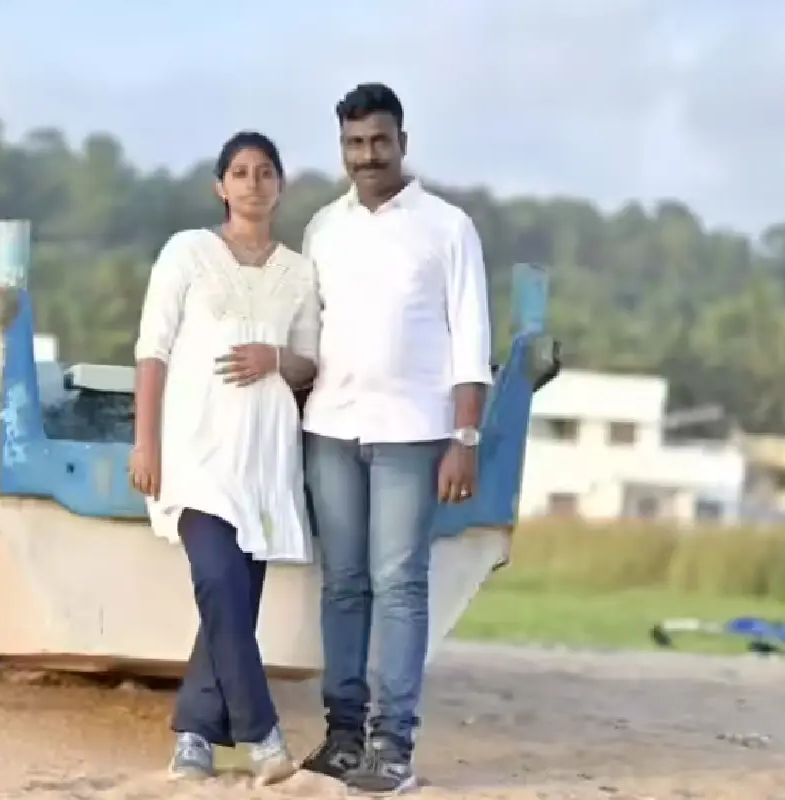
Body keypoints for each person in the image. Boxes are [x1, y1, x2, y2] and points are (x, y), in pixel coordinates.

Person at [298, 83, 493, 794]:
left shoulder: (447, 228)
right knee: (343, 586)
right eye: (354, 143)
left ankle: (393, 745)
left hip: (414, 433)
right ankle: (343, 736)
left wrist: (464, 437)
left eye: (379, 141)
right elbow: (306, 333)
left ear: (402, 143)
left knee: (400, 586)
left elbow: (472, 340)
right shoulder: (323, 227)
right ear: (342, 147)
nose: (367, 155)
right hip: (329, 427)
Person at [128, 131, 320, 786]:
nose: (253, 183)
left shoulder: (299, 272)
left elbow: (309, 362)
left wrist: (276, 360)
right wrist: (145, 440)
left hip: (264, 460)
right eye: (240, 172)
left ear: (280, 186)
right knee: (218, 583)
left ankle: (193, 740)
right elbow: (152, 350)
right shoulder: (187, 252)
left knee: (231, 604)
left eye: (266, 172)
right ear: (221, 185)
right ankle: (264, 735)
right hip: (195, 452)